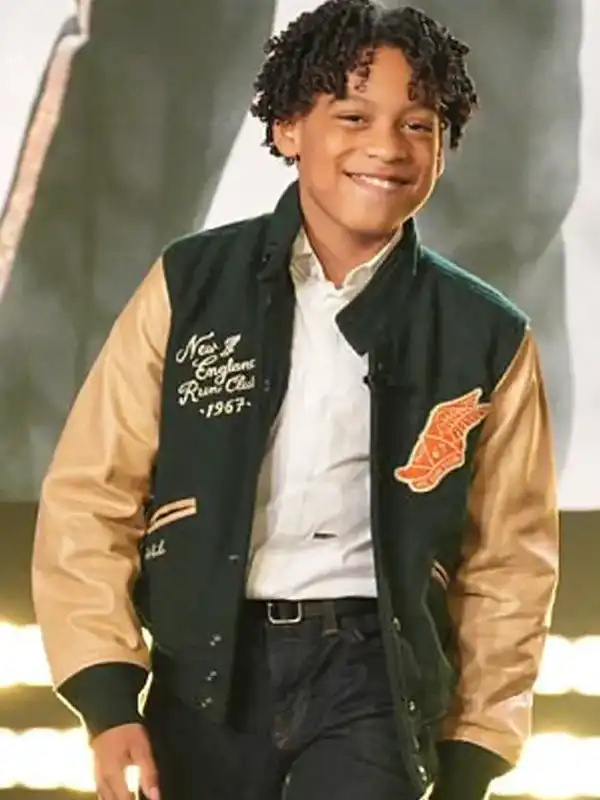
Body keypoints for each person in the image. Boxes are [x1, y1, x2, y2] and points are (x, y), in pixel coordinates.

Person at [31, 1, 559, 798]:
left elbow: (510, 562)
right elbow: (91, 493)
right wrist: (107, 701)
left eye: (418, 125)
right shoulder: (192, 283)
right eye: (353, 116)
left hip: (375, 678)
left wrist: (475, 751)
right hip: (207, 672)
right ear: (287, 128)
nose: (387, 146)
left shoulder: (485, 333)